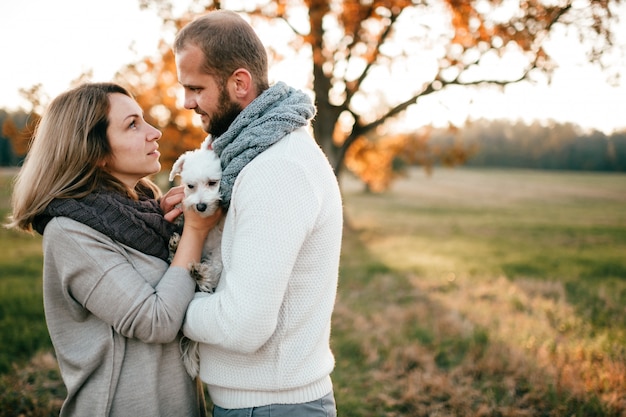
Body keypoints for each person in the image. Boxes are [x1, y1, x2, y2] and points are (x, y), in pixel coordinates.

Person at [6, 82, 221, 417]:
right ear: (95, 152)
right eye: (133, 124)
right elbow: (156, 321)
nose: (155, 133)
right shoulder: (70, 232)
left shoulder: (146, 215)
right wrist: (193, 231)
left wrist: (174, 226)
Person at [173, 10, 343, 417]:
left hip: (271, 407)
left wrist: (167, 307)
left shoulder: (276, 168)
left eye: (196, 88)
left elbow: (242, 324)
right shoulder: (248, 158)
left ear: (240, 83)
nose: (186, 102)